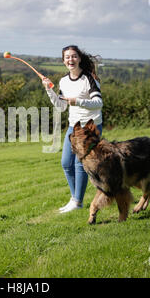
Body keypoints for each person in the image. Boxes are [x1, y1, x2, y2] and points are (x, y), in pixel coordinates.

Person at [42, 45, 103, 213]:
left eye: (74, 56)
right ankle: (75, 199)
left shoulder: (89, 78)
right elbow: (61, 106)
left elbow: (99, 103)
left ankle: (77, 201)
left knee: (78, 164)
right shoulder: (63, 81)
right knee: (65, 163)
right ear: (63, 61)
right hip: (74, 127)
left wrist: (77, 101)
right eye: (67, 57)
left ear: (79, 59)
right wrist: (49, 90)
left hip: (91, 127)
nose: (71, 59)